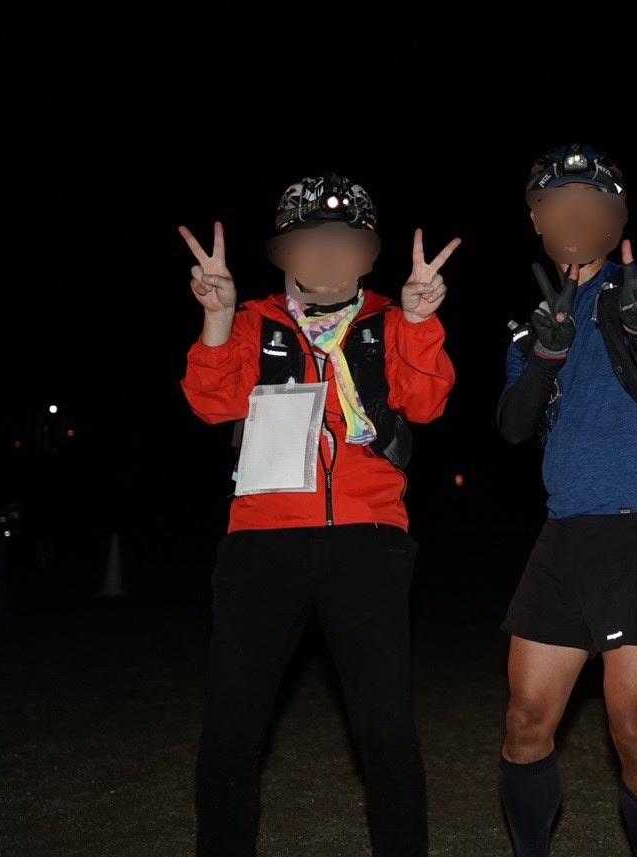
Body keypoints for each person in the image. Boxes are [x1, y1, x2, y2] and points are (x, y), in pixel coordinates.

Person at [178, 172, 460, 857]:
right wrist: (217, 318)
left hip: (369, 541)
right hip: (261, 543)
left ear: (368, 255)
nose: (327, 254)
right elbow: (212, 403)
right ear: (282, 254)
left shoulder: (389, 320)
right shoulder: (255, 322)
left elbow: (427, 404)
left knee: (386, 731)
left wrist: (420, 324)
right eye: (308, 241)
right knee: (232, 729)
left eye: (343, 241)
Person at [495, 144, 637, 857]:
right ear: (537, 219)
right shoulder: (533, 320)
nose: (574, 215)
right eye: (559, 203)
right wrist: (545, 354)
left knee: (633, 727)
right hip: (565, 528)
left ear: (616, 219)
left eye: (591, 203)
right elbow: (513, 425)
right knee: (525, 719)